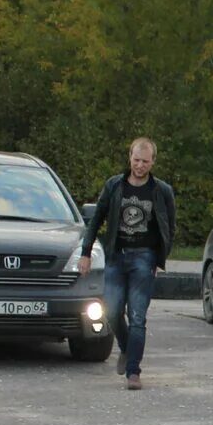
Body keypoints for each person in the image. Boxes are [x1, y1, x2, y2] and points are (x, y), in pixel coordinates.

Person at [79, 137, 175, 390]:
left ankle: (134, 371)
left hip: (144, 257)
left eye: (145, 161)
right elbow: (96, 218)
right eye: (136, 160)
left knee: (137, 316)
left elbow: (169, 227)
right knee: (110, 311)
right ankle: (125, 348)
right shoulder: (114, 186)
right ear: (129, 157)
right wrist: (85, 252)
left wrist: (159, 258)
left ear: (153, 161)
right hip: (116, 256)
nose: (140, 165)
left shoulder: (161, 191)